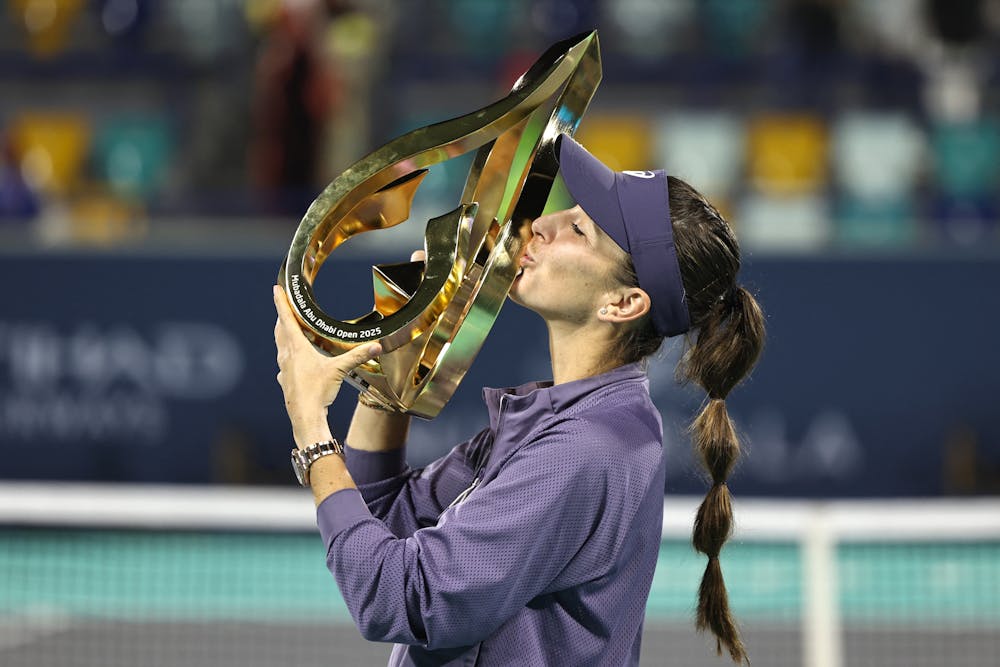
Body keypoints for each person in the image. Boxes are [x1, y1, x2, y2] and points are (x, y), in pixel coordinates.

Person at [273, 133, 765, 666]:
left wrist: (311, 427)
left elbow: (399, 599)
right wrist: (399, 362)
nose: (542, 224)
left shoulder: (580, 449)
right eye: (568, 210)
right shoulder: (574, 422)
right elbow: (385, 519)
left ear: (623, 303)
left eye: (579, 229)